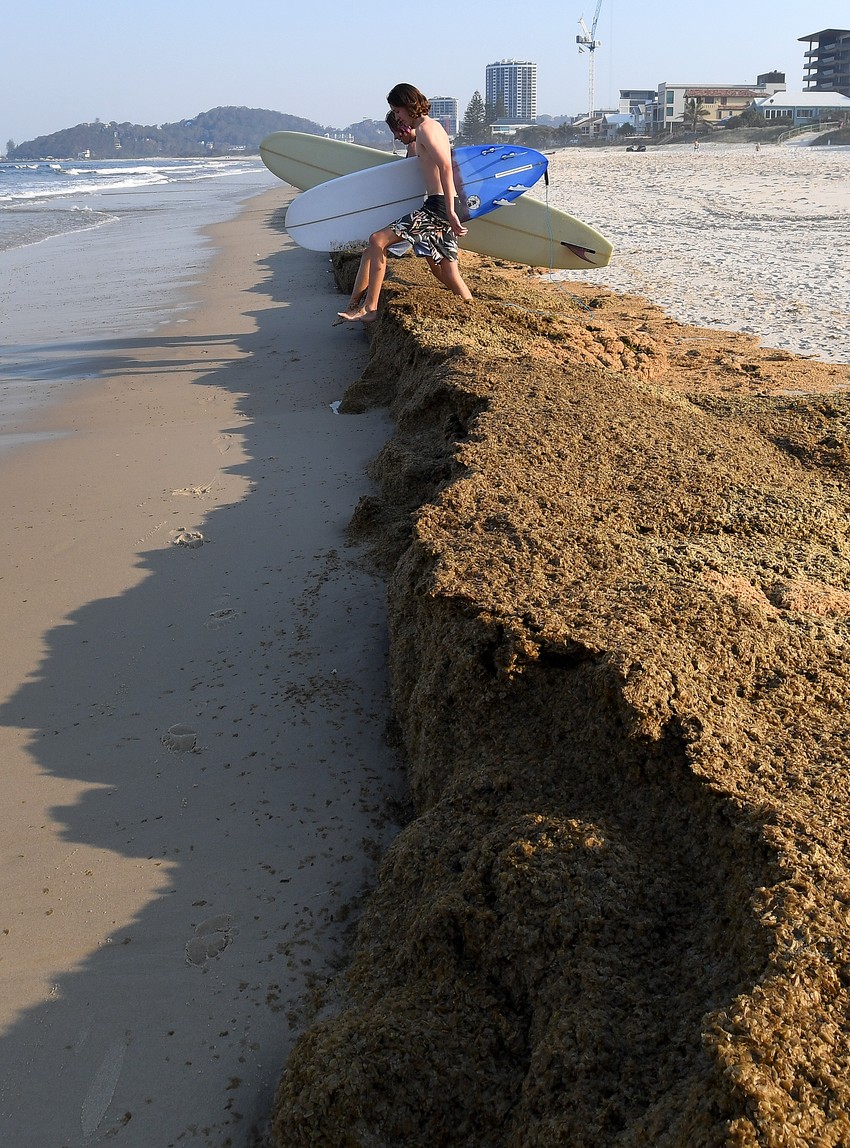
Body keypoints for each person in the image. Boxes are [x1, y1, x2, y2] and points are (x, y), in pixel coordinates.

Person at [337, 83, 472, 324]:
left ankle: (371, 308)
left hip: (437, 206)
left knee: (377, 240)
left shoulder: (426, 131)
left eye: (397, 110)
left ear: (408, 105)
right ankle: (472, 312)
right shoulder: (433, 127)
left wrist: (450, 210)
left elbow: (445, 166)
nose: (397, 117)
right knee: (449, 273)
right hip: (441, 205)